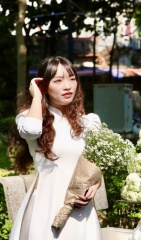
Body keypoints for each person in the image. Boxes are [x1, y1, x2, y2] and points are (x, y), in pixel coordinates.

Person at [10, 56, 102, 240]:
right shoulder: (31, 117)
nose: (67, 86)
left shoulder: (87, 122)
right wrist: (37, 96)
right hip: (46, 205)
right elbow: (31, 130)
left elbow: (95, 162)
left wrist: (95, 183)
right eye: (58, 80)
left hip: (79, 207)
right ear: (44, 86)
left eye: (71, 78)